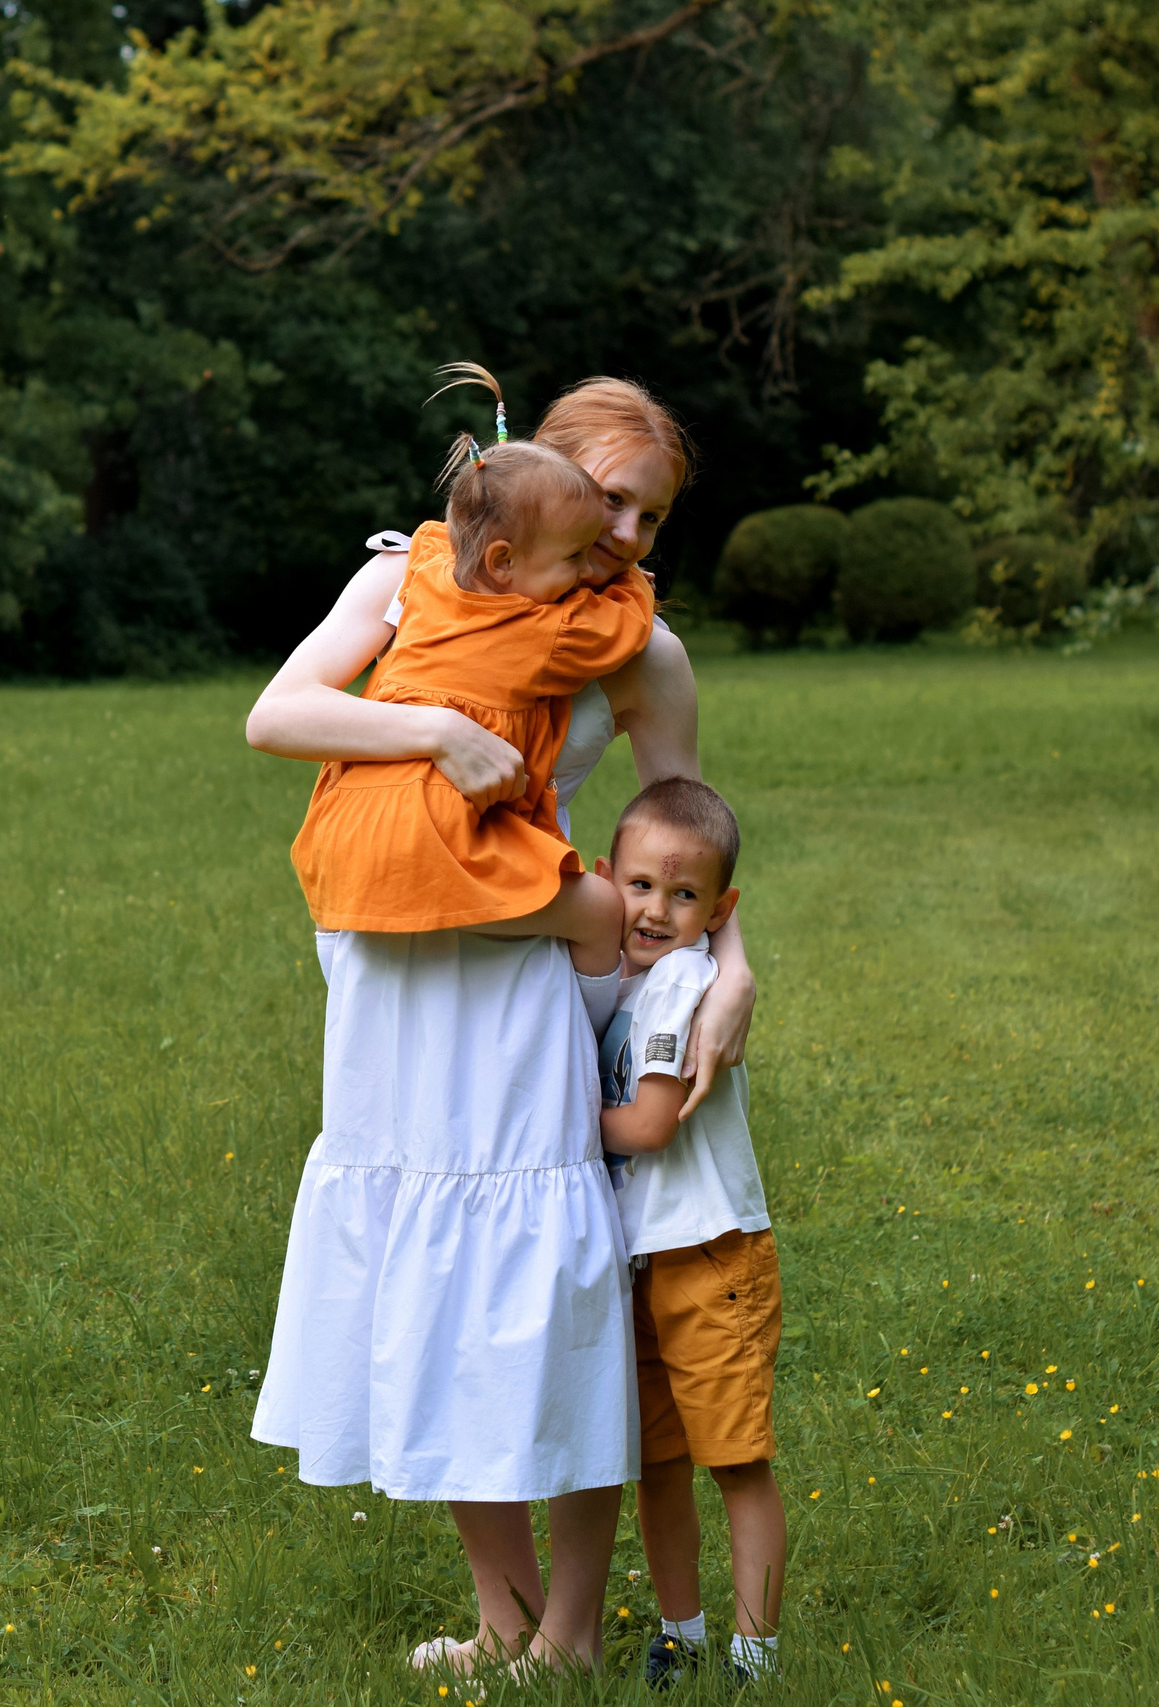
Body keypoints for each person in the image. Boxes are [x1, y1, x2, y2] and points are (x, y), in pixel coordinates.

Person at [245, 374, 754, 1675]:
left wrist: (733, 966)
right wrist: (427, 730)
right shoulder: (408, 585)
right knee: (433, 1281)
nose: (632, 536)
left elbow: (684, 839)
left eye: (654, 514)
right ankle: (504, 1617)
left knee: (546, 1299)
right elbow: (281, 710)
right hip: (394, 987)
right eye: (613, 502)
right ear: (536, 492)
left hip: (523, 995)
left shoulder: (641, 651)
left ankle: (572, 1633)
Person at [291, 365, 648, 953]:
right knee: (600, 911)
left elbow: (437, 539)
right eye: (575, 554)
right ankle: (604, 1039)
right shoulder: (548, 629)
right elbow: (625, 628)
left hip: (343, 836)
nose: (590, 567)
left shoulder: (421, 577)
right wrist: (632, 582)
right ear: (505, 560)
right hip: (436, 841)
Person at [590, 778, 786, 1689]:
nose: (657, 910)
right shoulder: (617, 980)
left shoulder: (681, 982)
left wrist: (546, 1118)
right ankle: (683, 1631)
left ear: (720, 910)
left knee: (734, 1458)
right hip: (639, 1258)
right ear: (604, 878)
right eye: (639, 886)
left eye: (683, 894)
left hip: (708, 1252)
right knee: (657, 1461)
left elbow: (651, 1124)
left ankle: (755, 1654)